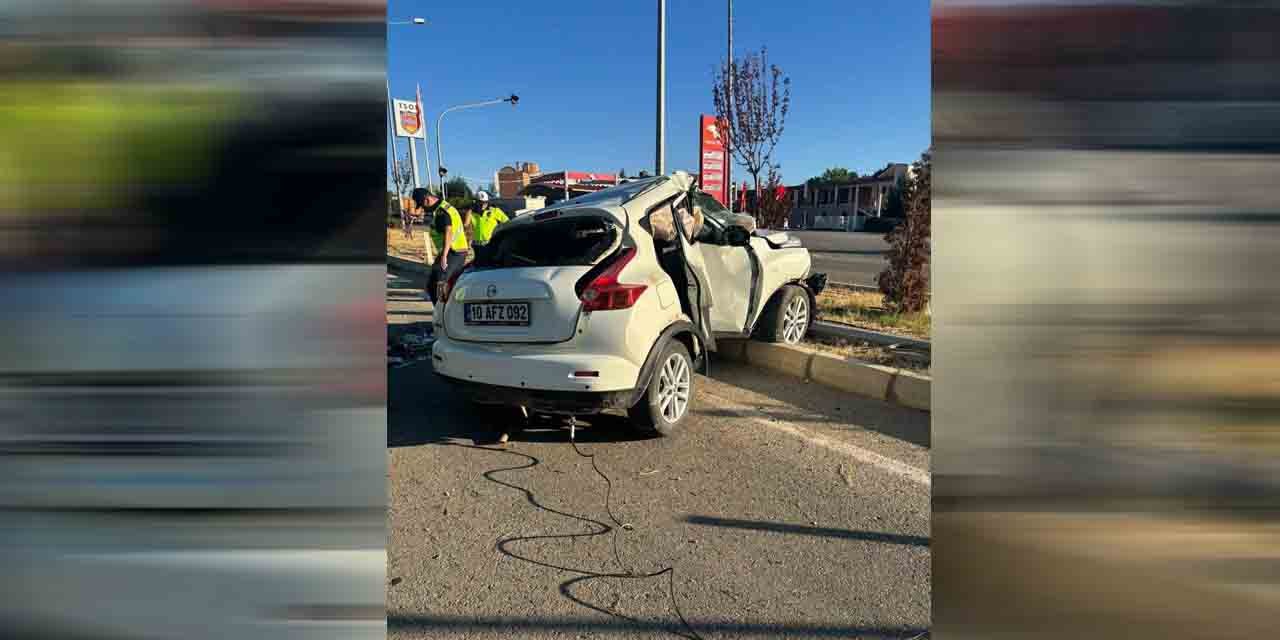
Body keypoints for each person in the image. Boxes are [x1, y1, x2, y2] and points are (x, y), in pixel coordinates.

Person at [415, 189, 470, 304]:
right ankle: (443, 311)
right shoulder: (442, 208)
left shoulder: (441, 211)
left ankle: (444, 315)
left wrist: (444, 256)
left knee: (441, 282)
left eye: (422, 205)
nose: (423, 208)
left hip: (454, 251)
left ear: (427, 199)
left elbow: (448, 232)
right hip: (451, 250)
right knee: (432, 283)